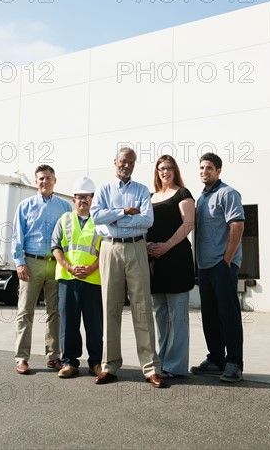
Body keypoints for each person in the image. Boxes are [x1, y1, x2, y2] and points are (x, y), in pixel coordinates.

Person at [90, 147, 166, 388]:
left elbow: (147, 220)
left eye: (131, 162)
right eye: (123, 161)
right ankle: (109, 366)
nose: (127, 165)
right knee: (110, 307)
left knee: (142, 307)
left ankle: (151, 368)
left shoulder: (142, 190)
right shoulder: (103, 189)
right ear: (115, 162)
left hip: (135, 249)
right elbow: (96, 218)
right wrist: (124, 211)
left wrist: (113, 217)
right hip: (110, 249)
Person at [13, 164, 72, 375]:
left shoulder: (65, 208)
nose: (44, 182)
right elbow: (17, 236)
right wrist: (19, 262)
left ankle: (53, 356)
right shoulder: (25, 206)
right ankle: (21, 358)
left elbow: (70, 237)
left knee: (54, 312)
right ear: (36, 182)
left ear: (54, 180)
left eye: (48, 178)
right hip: (31, 263)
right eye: (40, 179)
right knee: (25, 312)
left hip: (56, 264)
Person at [191, 153, 245, 382]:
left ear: (219, 170)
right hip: (205, 267)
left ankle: (234, 363)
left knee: (229, 315)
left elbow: (237, 226)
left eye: (209, 168)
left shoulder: (227, 193)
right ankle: (215, 359)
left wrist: (226, 261)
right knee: (210, 316)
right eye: (202, 168)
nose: (204, 171)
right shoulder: (201, 199)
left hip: (223, 266)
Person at [146, 155, 195, 378]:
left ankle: (174, 366)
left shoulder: (183, 194)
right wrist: (146, 244)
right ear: (157, 172)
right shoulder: (149, 196)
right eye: (161, 168)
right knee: (160, 315)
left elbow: (188, 224)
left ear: (175, 171)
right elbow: (143, 224)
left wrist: (167, 246)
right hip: (155, 261)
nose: (165, 172)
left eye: (169, 168)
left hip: (176, 260)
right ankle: (161, 361)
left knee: (177, 317)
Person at [51, 176, 103, 379]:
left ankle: (96, 362)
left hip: (93, 280)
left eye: (88, 197)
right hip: (68, 279)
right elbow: (56, 248)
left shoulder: (100, 222)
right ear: (74, 200)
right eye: (80, 197)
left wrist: (90, 269)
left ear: (93, 199)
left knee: (94, 325)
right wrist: (70, 268)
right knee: (68, 324)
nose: (84, 200)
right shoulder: (64, 220)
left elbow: (105, 250)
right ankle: (69, 363)